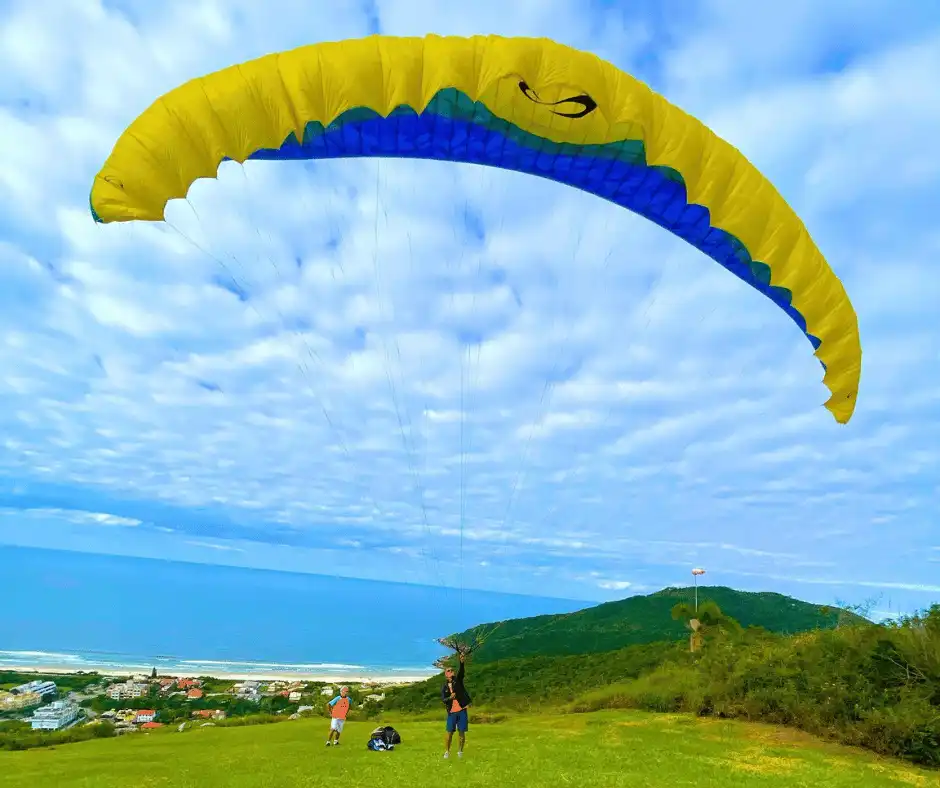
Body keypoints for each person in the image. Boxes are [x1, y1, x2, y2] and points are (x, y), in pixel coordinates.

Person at [441, 652, 471, 758]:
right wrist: (450, 697)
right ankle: (447, 752)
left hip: (462, 710)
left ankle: (460, 752)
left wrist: (462, 663)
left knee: (461, 732)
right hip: (451, 712)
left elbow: (461, 673)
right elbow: (443, 700)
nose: (451, 671)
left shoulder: (457, 681)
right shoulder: (444, 687)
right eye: (448, 671)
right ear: (446, 674)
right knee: (449, 733)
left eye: (452, 670)